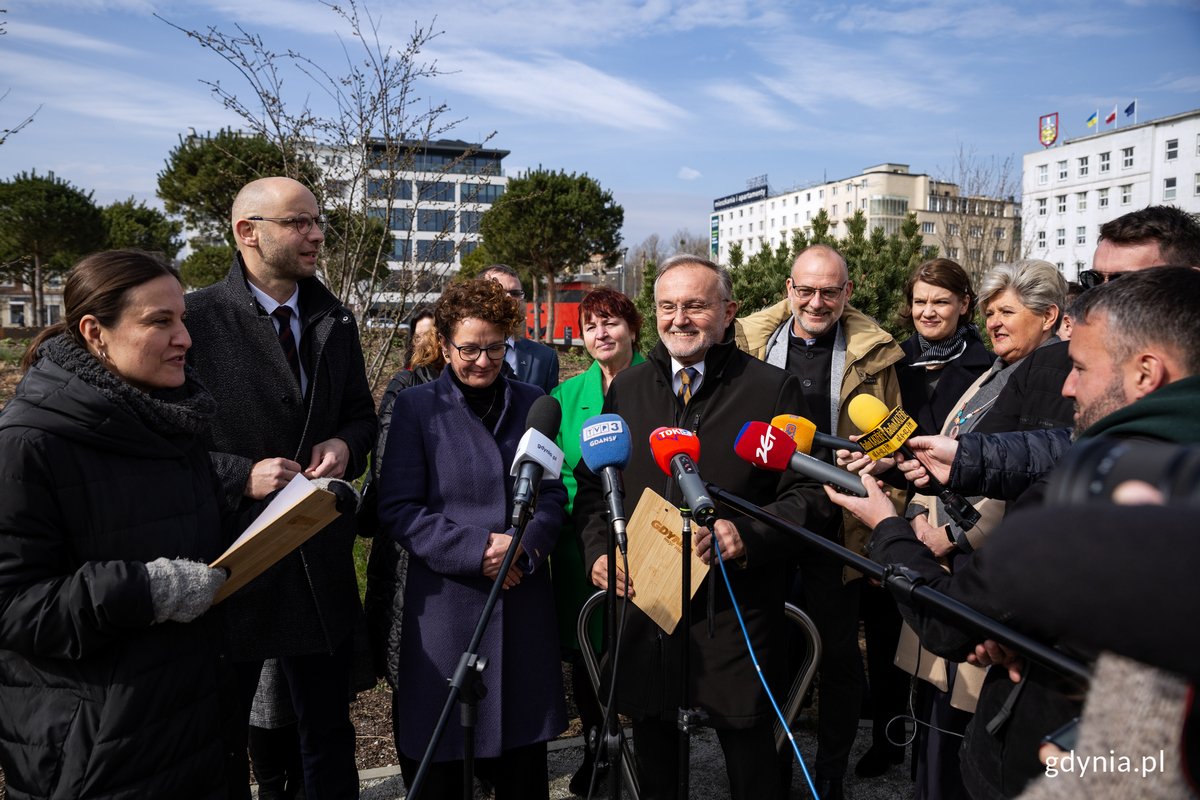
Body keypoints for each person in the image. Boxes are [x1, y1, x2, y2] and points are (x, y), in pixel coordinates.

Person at [827, 266, 1200, 799]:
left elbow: (953, 622)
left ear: (1146, 373)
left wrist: (885, 523)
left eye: (1079, 366)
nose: (1067, 385)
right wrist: (1023, 630)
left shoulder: (1100, 491)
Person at [575, 254, 832, 800]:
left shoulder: (772, 389)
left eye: (695, 305)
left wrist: (747, 534)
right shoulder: (629, 387)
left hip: (735, 610)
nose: (679, 319)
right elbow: (596, 487)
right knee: (656, 756)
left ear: (728, 311)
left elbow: (810, 496)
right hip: (650, 608)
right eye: (667, 306)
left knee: (752, 763)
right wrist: (600, 549)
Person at [0, 250, 233, 798]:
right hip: (96, 752)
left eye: (183, 319)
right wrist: (144, 589)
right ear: (94, 332)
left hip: (191, 724)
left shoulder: (170, 420)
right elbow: (13, 608)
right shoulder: (26, 445)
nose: (185, 339)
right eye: (160, 321)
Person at [185, 176, 377, 799]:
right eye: (299, 223)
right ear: (248, 233)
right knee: (221, 739)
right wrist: (240, 475)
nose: (317, 234)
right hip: (233, 564)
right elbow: (165, 445)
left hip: (316, 558)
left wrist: (346, 444)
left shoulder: (335, 318)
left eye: (317, 221)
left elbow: (361, 415)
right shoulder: (195, 321)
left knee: (327, 731)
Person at [377, 278, 568, 799]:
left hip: (521, 600)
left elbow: (552, 496)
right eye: (468, 349)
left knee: (521, 770)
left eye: (494, 347)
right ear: (443, 345)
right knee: (441, 762)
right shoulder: (417, 407)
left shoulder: (535, 403)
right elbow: (397, 507)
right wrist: (477, 551)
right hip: (446, 610)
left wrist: (523, 547)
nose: (482, 361)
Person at [736, 244, 904, 795]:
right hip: (771, 516)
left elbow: (893, 439)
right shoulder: (749, 342)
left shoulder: (875, 354)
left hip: (842, 520)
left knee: (837, 657)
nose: (816, 301)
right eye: (805, 290)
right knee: (773, 650)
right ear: (788, 289)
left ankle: (830, 772)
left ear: (846, 293)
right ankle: (775, 769)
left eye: (829, 291)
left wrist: (877, 461)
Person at [892, 258, 992, 799]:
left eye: (941, 301)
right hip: (911, 518)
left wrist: (953, 532)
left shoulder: (991, 364)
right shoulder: (897, 360)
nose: (928, 311)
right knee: (921, 668)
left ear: (964, 305)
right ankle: (912, 765)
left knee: (957, 675)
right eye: (920, 301)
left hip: (963, 528)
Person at [549, 286, 646, 795]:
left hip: (651, 541)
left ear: (632, 328)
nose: (601, 333)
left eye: (611, 322)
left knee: (646, 652)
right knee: (589, 657)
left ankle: (647, 748)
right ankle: (596, 745)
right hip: (581, 547)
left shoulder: (662, 383)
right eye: (590, 326)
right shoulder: (566, 398)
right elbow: (561, 475)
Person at [363, 306, 447, 754]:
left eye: (433, 335)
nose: (427, 345)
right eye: (421, 338)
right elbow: (388, 471)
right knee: (410, 669)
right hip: (407, 552)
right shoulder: (405, 388)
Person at [481, 264, 560, 394]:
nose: (509, 298)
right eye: (498, 291)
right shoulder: (459, 352)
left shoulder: (545, 358)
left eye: (515, 293)